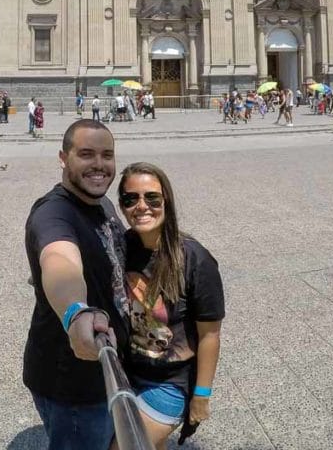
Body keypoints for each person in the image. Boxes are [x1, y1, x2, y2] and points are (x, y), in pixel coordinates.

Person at [23, 119, 127, 450]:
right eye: (86, 154)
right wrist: (76, 313)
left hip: (105, 370)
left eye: (107, 155)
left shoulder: (103, 204)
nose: (99, 165)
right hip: (73, 383)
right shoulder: (53, 213)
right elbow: (60, 262)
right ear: (63, 158)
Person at [113, 162, 224, 450]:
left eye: (152, 198)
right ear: (122, 206)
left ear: (167, 202)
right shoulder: (123, 246)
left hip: (171, 383)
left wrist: (201, 395)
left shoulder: (195, 259)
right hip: (128, 372)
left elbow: (210, 335)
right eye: (130, 198)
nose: (142, 206)